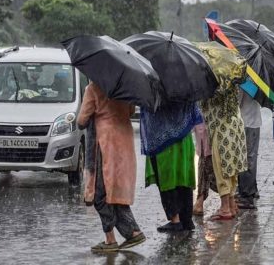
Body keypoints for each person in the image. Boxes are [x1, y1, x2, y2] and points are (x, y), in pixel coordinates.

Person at [77, 82, 145, 252]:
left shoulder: (93, 88)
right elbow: (130, 111)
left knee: (100, 194)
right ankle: (132, 232)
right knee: (116, 192)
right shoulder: (125, 87)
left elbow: (81, 120)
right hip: (124, 141)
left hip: (104, 143)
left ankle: (112, 239)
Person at [141, 102, 202, 232]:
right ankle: (186, 219)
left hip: (162, 141)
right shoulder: (186, 85)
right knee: (183, 177)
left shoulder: (156, 85)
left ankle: (175, 219)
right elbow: (195, 111)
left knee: (166, 179)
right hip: (184, 139)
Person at [201, 76, 248, 219]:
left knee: (221, 168)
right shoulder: (233, 78)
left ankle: (225, 207)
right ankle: (232, 204)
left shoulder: (215, 84)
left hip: (222, 128)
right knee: (232, 167)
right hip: (236, 125)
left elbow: (206, 105)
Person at [238, 91, 261, 209]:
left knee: (246, 159)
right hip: (254, 122)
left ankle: (247, 194)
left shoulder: (245, 82)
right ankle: (252, 188)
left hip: (246, 122)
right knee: (251, 157)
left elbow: (237, 102)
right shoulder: (258, 81)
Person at [192, 122, 217, 216]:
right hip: (205, 127)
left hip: (207, 126)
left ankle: (229, 199)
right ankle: (200, 200)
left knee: (206, 165)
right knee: (204, 164)